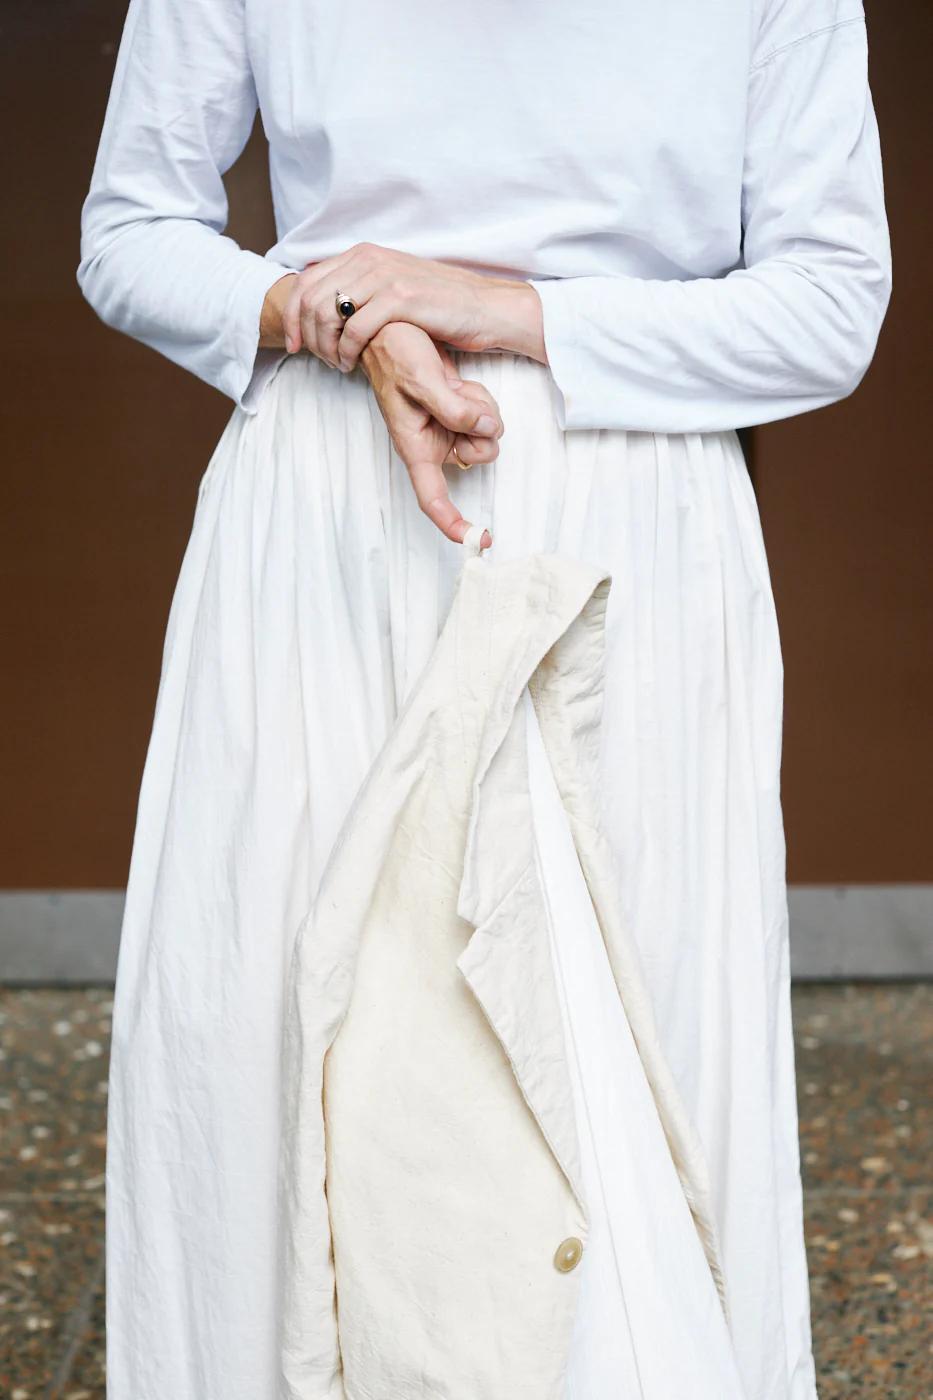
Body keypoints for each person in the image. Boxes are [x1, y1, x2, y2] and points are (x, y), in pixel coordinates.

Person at [76, 2, 891, 1397]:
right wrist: (325, 312)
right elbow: (130, 232)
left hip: (625, 514)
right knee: (282, 1019)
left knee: (632, 1028)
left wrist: (493, 307)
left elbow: (826, 305)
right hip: (332, 507)